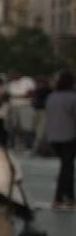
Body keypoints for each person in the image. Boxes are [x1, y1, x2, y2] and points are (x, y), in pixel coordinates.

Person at [44, 71, 76, 210]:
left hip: (53, 136)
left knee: (67, 166)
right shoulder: (73, 97)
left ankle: (70, 197)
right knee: (66, 168)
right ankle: (58, 197)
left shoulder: (51, 97)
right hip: (69, 135)